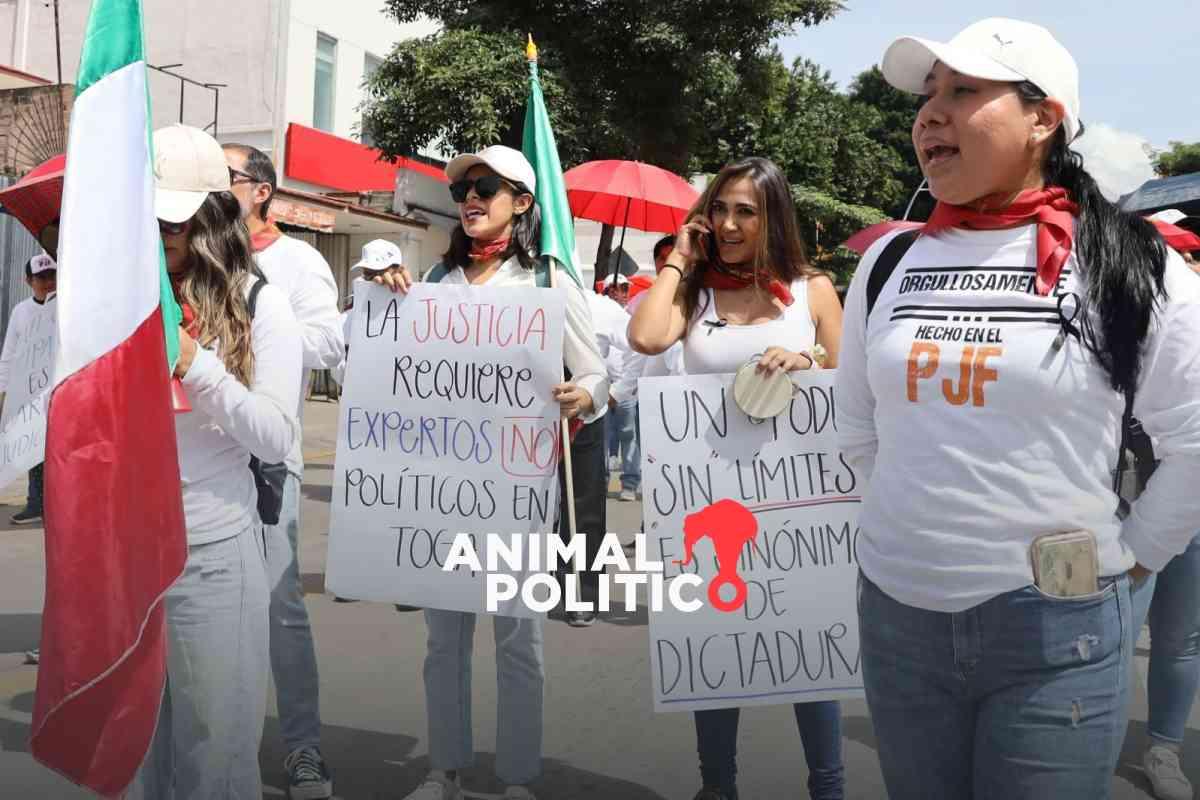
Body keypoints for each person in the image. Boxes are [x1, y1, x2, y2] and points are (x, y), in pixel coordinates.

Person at [834, 19, 1200, 800]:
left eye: (963, 90)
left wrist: (1137, 557)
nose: (931, 113)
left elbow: (1194, 438)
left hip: (1056, 631)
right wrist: (913, 528)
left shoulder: (1133, 260)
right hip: (897, 618)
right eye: (928, 96)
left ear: (1044, 117)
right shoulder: (889, 260)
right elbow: (859, 425)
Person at [367, 144, 608, 799]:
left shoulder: (548, 281)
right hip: (444, 495)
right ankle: (444, 768)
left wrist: (583, 395)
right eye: (463, 187)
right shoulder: (436, 282)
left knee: (518, 644)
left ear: (522, 203)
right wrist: (385, 294)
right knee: (443, 644)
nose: (470, 197)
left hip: (519, 495)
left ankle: (518, 776)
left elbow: (595, 372)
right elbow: (392, 365)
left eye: (487, 186)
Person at [628, 156, 846, 800]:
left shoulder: (812, 291)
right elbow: (645, 338)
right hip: (708, 501)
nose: (727, 223)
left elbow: (852, 373)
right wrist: (678, 260)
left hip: (796, 503)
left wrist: (808, 355)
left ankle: (827, 787)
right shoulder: (695, 292)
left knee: (810, 648)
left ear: (772, 216)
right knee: (715, 643)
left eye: (744, 211)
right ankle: (716, 786)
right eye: (717, 209)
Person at [130, 124, 300, 798]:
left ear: (212, 217)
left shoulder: (264, 307)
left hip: (213, 554)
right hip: (132, 557)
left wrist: (196, 365)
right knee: (146, 751)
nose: (162, 233)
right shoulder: (126, 306)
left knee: (215, 753)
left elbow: (276, 437)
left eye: (174, 219)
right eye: (149, 219)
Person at [223, 143, 342, 800]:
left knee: (278, 607)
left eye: (228, 177)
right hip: (194, 460)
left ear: (261, 191)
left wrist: (261, 319)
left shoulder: (296, 261)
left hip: (269, 459)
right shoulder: (189, 254)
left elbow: (327, 342)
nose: (216, 187)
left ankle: (303, 750)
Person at [0, 253, 56, 525]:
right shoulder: (21, 312)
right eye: (40, 278)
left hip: (60, 391)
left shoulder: (66, 306)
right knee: (33, 449)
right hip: (31, 394)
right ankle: (36, 503)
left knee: (59, 449)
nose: (47, 282)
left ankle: (61, 504)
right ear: (28, 281)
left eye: (51, 276)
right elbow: (9, 354)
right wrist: (4, 391)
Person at [586, 284, 638, 502]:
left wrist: (621, 390)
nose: (620, 292)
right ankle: (601, 480)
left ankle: (630, 483)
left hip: (621, 393)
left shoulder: (613, 312)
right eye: (615, 288)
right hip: (599, 392)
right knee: (603, 440)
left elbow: (639, 349)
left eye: (625, 289)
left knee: (629, 437)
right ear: (607, 291)